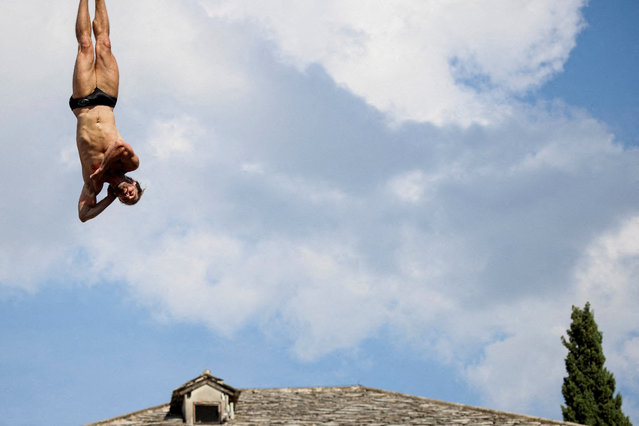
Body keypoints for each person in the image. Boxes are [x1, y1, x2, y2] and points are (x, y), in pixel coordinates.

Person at [70, 0, 142, 222]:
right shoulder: (131, 164)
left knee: (85, 45)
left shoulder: (94, 185)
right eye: (133, 195)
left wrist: (109, 199)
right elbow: (120, 146)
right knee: (104, 44)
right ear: (135, 184)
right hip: (108, 100)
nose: (127, 196)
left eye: (126, 200)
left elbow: (84, 215)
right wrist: (101, 168)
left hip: (83, 104)